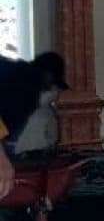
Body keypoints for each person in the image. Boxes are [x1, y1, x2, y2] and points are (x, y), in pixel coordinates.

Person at [0, 52, 69, 199]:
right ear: (48, 77)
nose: (55, 94)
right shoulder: (25, 88)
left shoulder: (17, 76)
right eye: (54, 88)